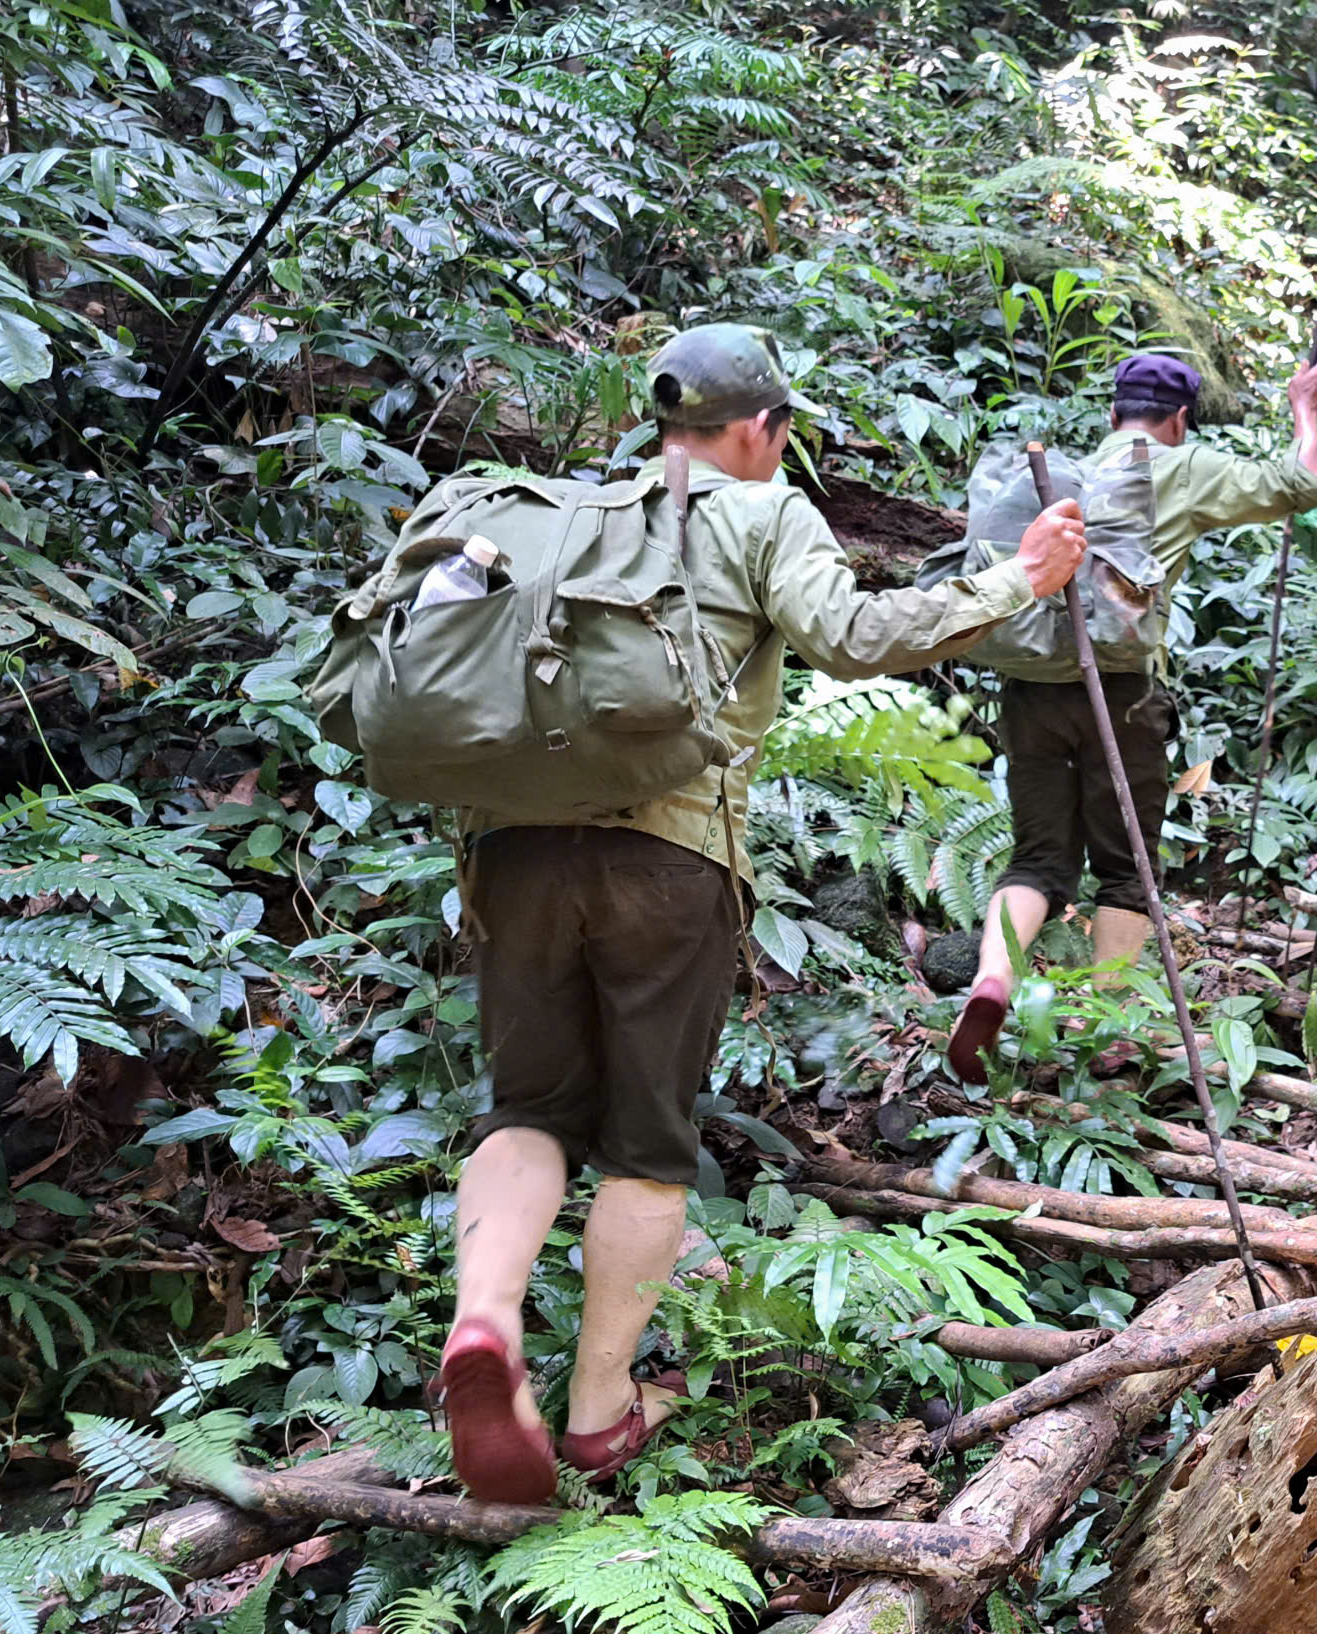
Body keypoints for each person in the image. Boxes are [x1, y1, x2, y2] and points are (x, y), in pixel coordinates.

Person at [436, 324, 1087, 1504]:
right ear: (760, 428)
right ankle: (594, 1415)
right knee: (643, 1144)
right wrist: (1017, 581)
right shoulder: (762, 508)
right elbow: (855, 637)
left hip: (513, 849)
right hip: (668, 863)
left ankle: (483, 1324)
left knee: (525, 1108)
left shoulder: (564, 514)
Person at [946, 351, 1317, 1082]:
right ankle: (1108, 1019)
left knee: (1036, 859)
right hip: (1121, 695)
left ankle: (991, 980)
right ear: (1179, 418)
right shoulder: (1181, 468)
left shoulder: (1064, 472)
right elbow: (1303, 484)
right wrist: (1304, 408)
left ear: (1111, 414)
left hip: (1029, 691)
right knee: (1127, 871)